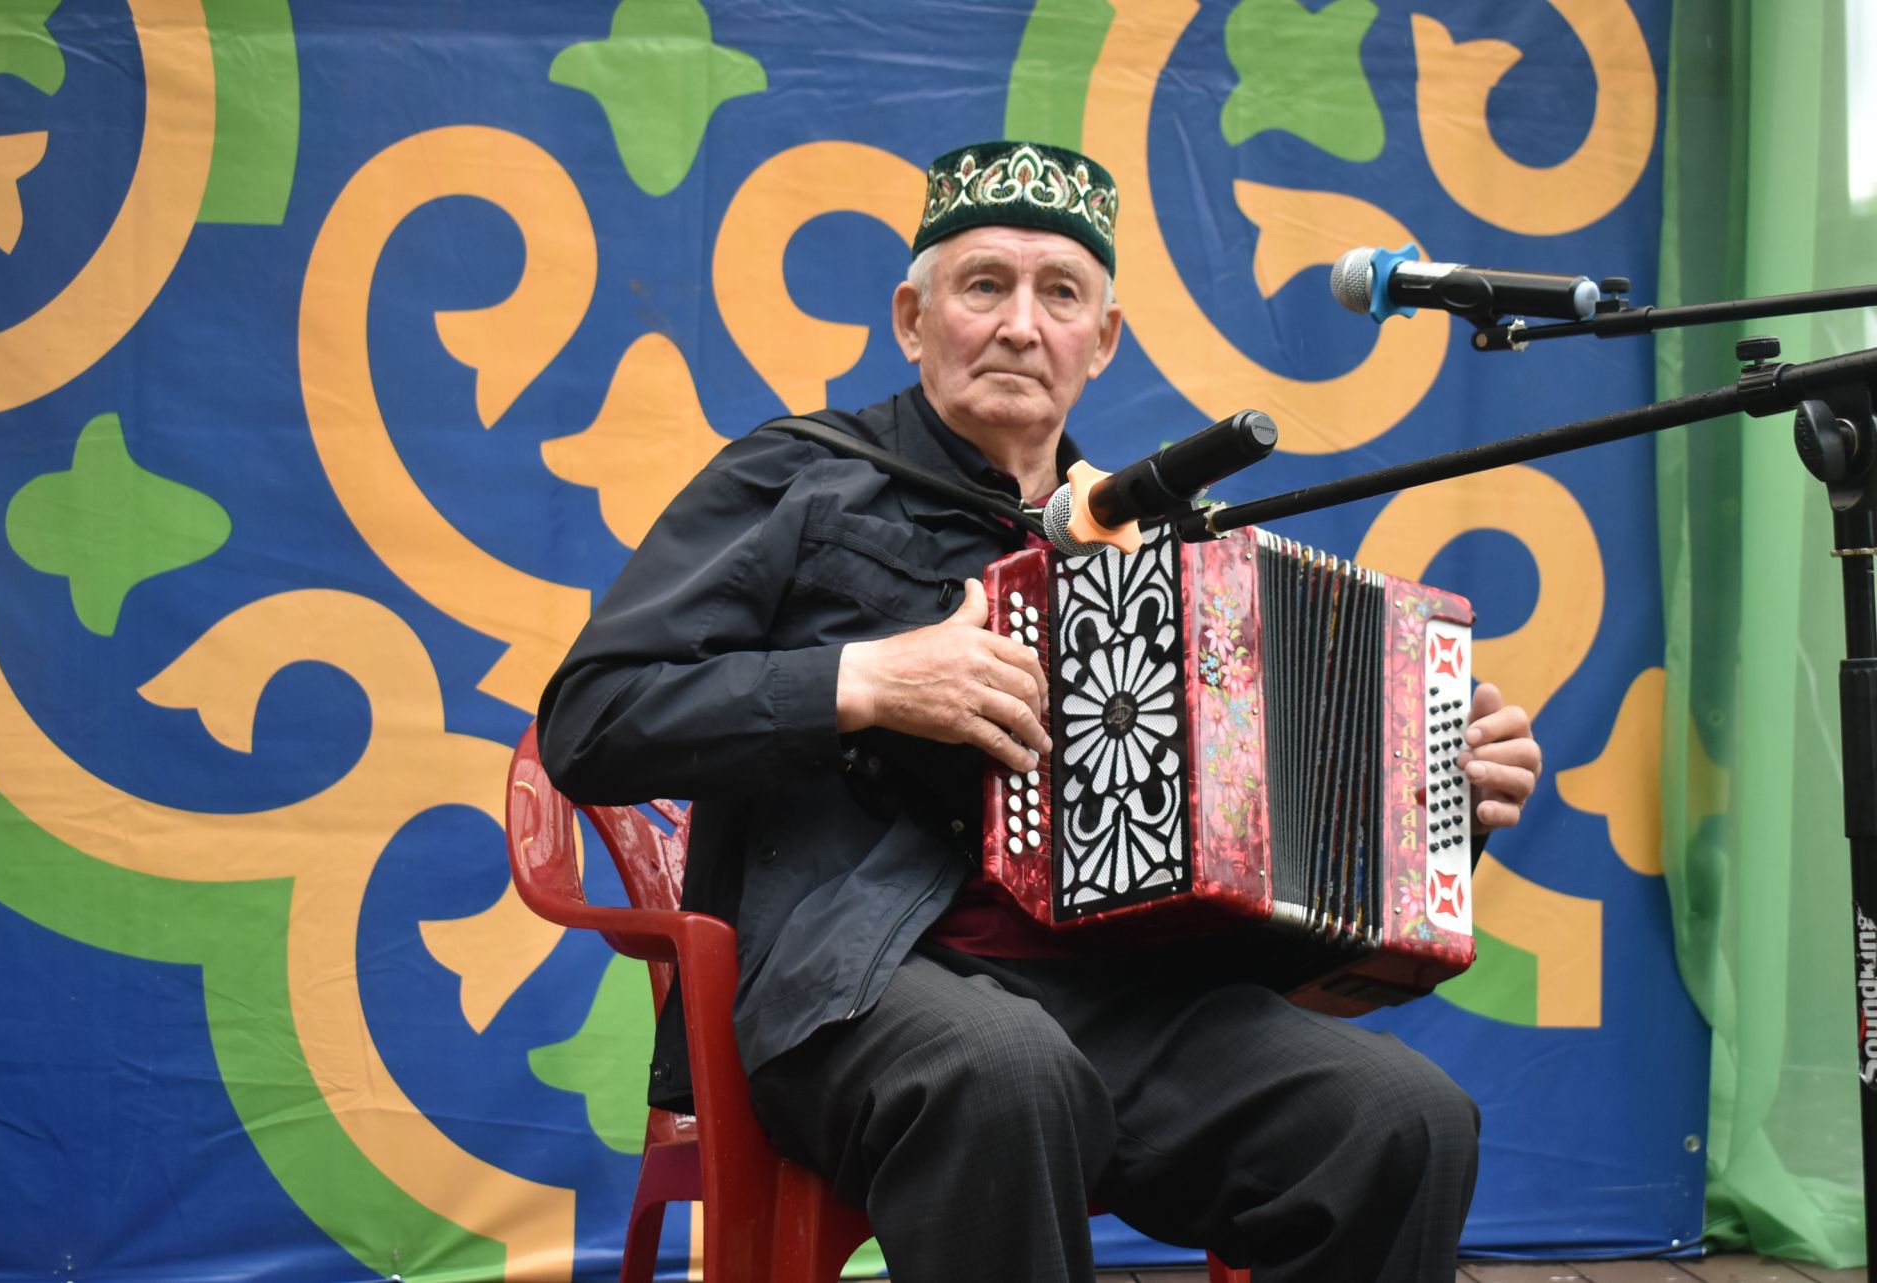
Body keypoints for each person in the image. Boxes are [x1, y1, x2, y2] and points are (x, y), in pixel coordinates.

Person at [537, 140, 1542, 1282]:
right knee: (1008, 1067)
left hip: (1121, 997)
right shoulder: (796, 479)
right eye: (984, 286)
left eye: (1061, 293)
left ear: (1101, 341)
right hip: (859, 989)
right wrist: (862, 682)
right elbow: (592, 720)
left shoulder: (1169, 555)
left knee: (1400, 1117)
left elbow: (1256, 877)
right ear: (914, 318)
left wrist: (1436, 800)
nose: (1022, 324)